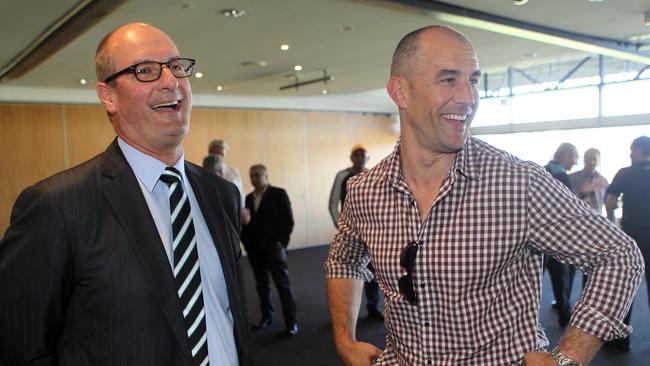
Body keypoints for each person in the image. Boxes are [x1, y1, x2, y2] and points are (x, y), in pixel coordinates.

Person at [325, 25, 643, 366]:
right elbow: (344, 259)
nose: (468, 97)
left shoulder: (518, 183)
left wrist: (568, 358)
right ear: (400, 92)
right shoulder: (364, 192)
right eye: (448, 79)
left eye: (473, 80)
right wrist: (345, 339)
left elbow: (618, 255)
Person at [0, 23, 251, 366]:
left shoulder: (222, 195)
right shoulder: (56, 207)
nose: (170, 81)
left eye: (176, 66)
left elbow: (228, 319)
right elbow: (20, 351)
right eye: (145, 70)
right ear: (108, 96)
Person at [241, 164, 299, 336]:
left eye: (257, 175)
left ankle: (291, 322)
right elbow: (245, 224)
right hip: (255, 251)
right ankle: (267, 317)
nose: (254, 178)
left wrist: (281, 244)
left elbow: (288, 221)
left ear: (266, 175)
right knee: (262, 286)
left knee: (283, 286)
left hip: (274, 249)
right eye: (251, 175)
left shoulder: (278, 194)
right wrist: (247, 243)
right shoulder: (248, 198)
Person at [604, 136, 650, 350]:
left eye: (631, 150)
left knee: (626, 289)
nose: (630, 153)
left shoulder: (625, 172)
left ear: (638, 150)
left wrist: (615, 227)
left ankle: (620, 343)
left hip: (632, 240)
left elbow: (610, 202)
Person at [329, 144, 384, 321]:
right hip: (350, 233)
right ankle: (345, 313)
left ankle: (372, 306)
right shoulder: (342, 176)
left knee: (373, 271)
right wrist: (342, 226)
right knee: (345, 271)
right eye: (356, 155)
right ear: (351, 158)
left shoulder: (372, 175)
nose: (360, 158)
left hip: (370, 232)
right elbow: (332, 204)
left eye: (363, 156)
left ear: (367, 158)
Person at [544, 143, 579, 327]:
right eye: (574, 156)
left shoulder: (542, 170)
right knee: (561, 282)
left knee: (532, 285)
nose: (575, 161)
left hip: (537, 238)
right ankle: (565, 324)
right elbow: (570, 210)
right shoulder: (562, 176)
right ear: (565, 155)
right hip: (556, 240)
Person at [209, 139, 250, 225]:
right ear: (209, 154)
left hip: (232, 214)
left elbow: (241, 193)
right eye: (215, 153)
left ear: (225, 155)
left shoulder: (233, 172)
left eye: (221, 154)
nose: (219, 156)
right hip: (212, 214)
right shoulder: (202, 171)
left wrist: (241, 211)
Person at [570, 148, 609, 214]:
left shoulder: (604, 181)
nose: (591, 162)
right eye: (589, 158)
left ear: (599, 161)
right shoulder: (572, 178)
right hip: (578, 217)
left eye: (594, 159)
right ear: (584, 160)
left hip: (597, 218)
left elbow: (608, 205)